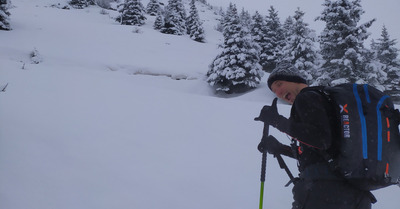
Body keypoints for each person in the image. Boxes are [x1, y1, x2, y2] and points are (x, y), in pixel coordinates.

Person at [255, 62, 375, 209]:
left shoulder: (306, 98)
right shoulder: (325, 100)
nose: (278, 93)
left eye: (279, 84)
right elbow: (323, 153)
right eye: (274, 91)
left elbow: (321, 140)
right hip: (355, 193)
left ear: (295, 79)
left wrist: (277, 121)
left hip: (325, 193)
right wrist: (280, 149)